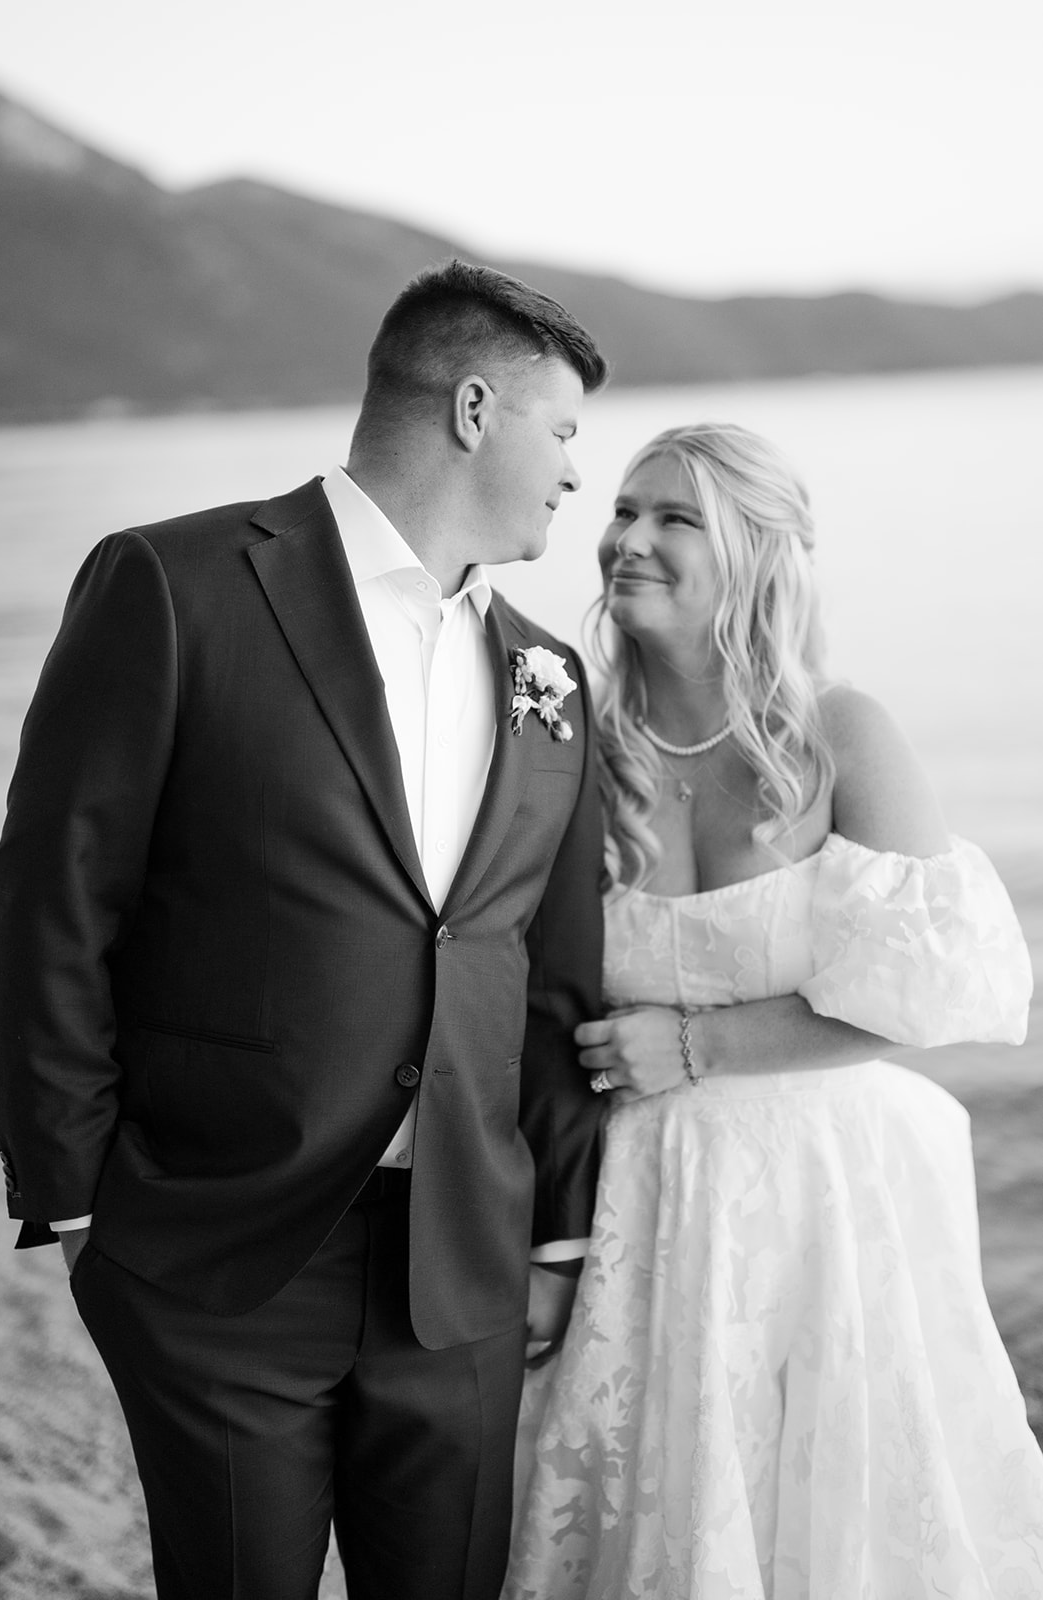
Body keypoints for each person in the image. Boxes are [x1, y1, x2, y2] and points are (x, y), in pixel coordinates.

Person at [0, 259, 611, 1600]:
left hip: (459, 1274)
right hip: (217, 1259)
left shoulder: (550, 673)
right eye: (562, 431)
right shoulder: (174, 583)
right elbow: (55, 903)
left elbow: (554, 974)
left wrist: (557, 1231)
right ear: (473, 409)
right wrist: (79, 1203)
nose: (576, 472)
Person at [503, 422, 1043, 1599]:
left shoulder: (840, 736)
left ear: (756, 551)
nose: (628, 540)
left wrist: (697, 1042)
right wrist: (545, 1238)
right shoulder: (568, 740)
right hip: (640, 1197)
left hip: (830, 1199)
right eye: (623, 510)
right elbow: (520, 1001)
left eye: (675, 519)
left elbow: (940, 989)